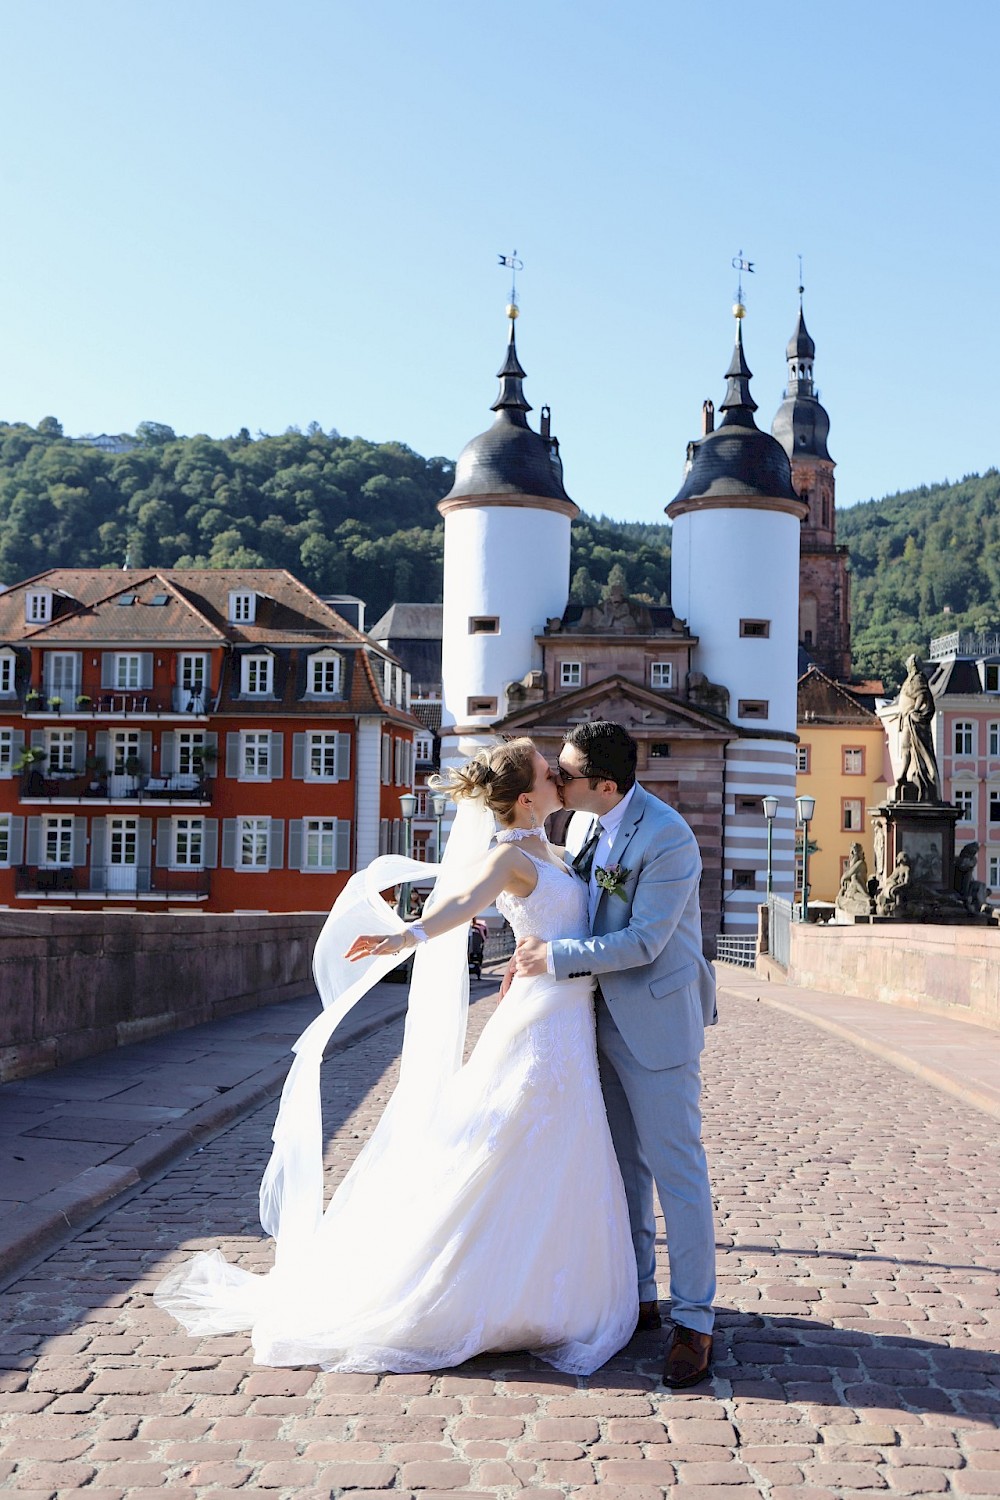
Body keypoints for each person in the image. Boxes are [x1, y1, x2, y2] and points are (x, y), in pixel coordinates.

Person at [155, 737, 637, 1375]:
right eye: (553, 773)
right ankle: (481, 1291)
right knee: (511, 1140)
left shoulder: (556, 844)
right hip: (541, 1020)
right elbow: (461, 904)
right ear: (527, 798)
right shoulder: (508, 857)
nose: (563, 777)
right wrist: (403, 936)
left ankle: (548, 1289)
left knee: (560, 1142)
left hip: (564, 1011)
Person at [512, 721, 718, 1388]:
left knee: (677, 1173)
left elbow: (643, 941)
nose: (556, 782)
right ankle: (640, 1295)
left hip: (655, 1020)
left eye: (566, 776)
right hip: (594, 1021)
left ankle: (696, 1322)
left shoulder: (668, 838)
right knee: (623, 1170)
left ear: (604, 785)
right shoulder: (581, 825)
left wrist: (553, 958)